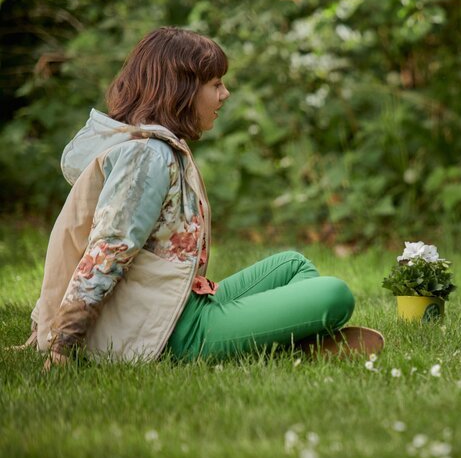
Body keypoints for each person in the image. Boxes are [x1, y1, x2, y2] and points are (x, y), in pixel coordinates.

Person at [21, 27, 382, 368]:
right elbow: (107, 249)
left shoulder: (152, 148)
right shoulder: (147, 156)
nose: (224, 94)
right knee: (335, 295)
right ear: (181, 90)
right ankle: (284, 341)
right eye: (216, 84)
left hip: (180, 303)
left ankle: (279, 337)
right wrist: (63, 342)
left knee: (292, 265)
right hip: (169, 332)